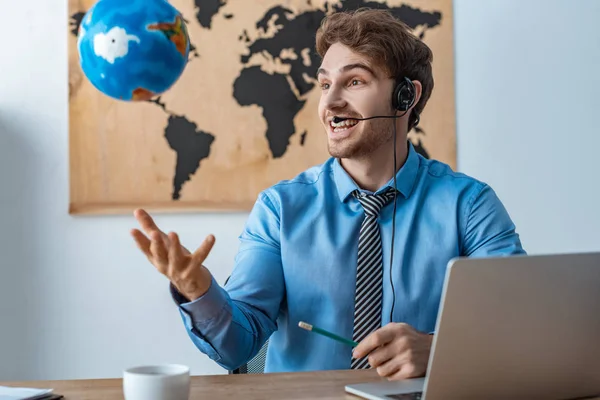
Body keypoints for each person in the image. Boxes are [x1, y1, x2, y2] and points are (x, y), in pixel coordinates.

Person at [130, 8, 525, 381]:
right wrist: (197, 289)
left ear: (407, 96)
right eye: (324, 84)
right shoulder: (280, 209)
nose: (330, 103)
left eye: (354, 81)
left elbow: (518, 326)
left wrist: (437, 352)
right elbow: (237, 346)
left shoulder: (469, 206)